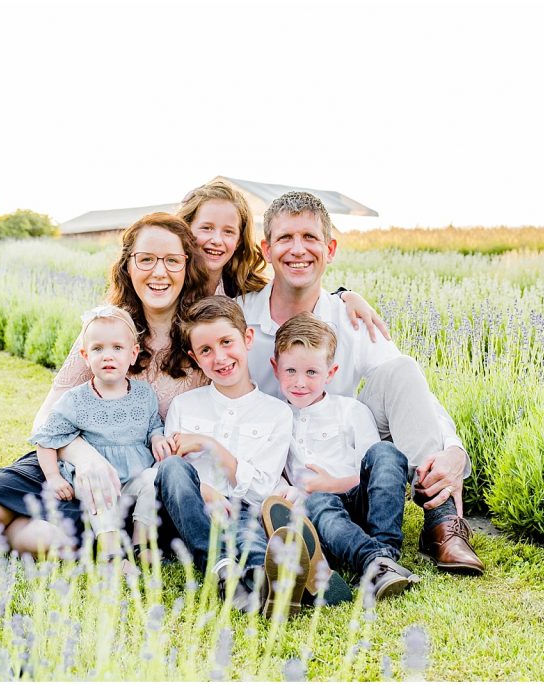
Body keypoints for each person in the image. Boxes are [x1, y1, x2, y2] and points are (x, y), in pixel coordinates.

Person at [239, 191, 484, 576]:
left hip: (346, 454)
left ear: (330, 249)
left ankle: (441, 521)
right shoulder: (242, 316)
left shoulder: (349, 316)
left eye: (310, 237)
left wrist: (453, 448)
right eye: (285, 238)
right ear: (266, 249)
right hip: (280, 467)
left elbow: (410, 389)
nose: (298, 249)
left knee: (401, 368)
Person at [0, 212, 210, 555]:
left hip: (135, 481)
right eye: (146, 259)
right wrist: (83, 456)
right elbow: (47, 418)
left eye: (172, 261)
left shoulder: (201, 337)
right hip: (75, 465)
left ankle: (39, 532)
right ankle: (35, 525)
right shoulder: (106, 327)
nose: (159, 271)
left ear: (187, 266)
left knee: (69, 528)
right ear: (127, 266)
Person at [156, 295, 302, 614]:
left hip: (242, 509)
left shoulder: (277, 414)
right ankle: (224, 571)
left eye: (226, 342)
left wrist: (212, 446)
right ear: (195, 357)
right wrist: (205, 491)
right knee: (172, 472)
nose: (219, 357)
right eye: (206, 350)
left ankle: (263, 580)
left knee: (246, 527)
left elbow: (262, 489)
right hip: (188, 515)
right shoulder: (185, 406)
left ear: (247, 338)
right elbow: (169, 472)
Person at [271, 312, 422, 598]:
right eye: (290, 371)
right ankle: (376, 563)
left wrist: (333, 484)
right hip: (321, 512)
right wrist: (288, 489)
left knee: (386, 452)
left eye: (312, 372)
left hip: (362, 503)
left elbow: (373, 472)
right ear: (275, 368)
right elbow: (274, 470)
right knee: (318, 503)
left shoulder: (349, 410)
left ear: (331, 372)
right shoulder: (277, 417)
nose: (300, 382)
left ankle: (383, 552)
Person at [28, 304, 173, 561]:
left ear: (133, 354)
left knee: (153, 478)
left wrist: (157, 437)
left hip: (133, 479)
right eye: (98, 349)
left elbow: (153, 425)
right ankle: (112, 552)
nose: (108, 356)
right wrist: (53, 477)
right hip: (97, 481)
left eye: (117, 348)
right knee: (97, 487)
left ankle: (141, 543)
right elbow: (46, 438)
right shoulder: (77, 399)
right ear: (85, 356)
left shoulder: (143, 395)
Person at [178, 180, 390, 340]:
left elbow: (294, 292)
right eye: (206, 228)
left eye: (228, 232)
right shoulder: (168, 280)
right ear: (186, 229)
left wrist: (344, 296)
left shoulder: (242, 289)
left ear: (240, 240)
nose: (217, 240)